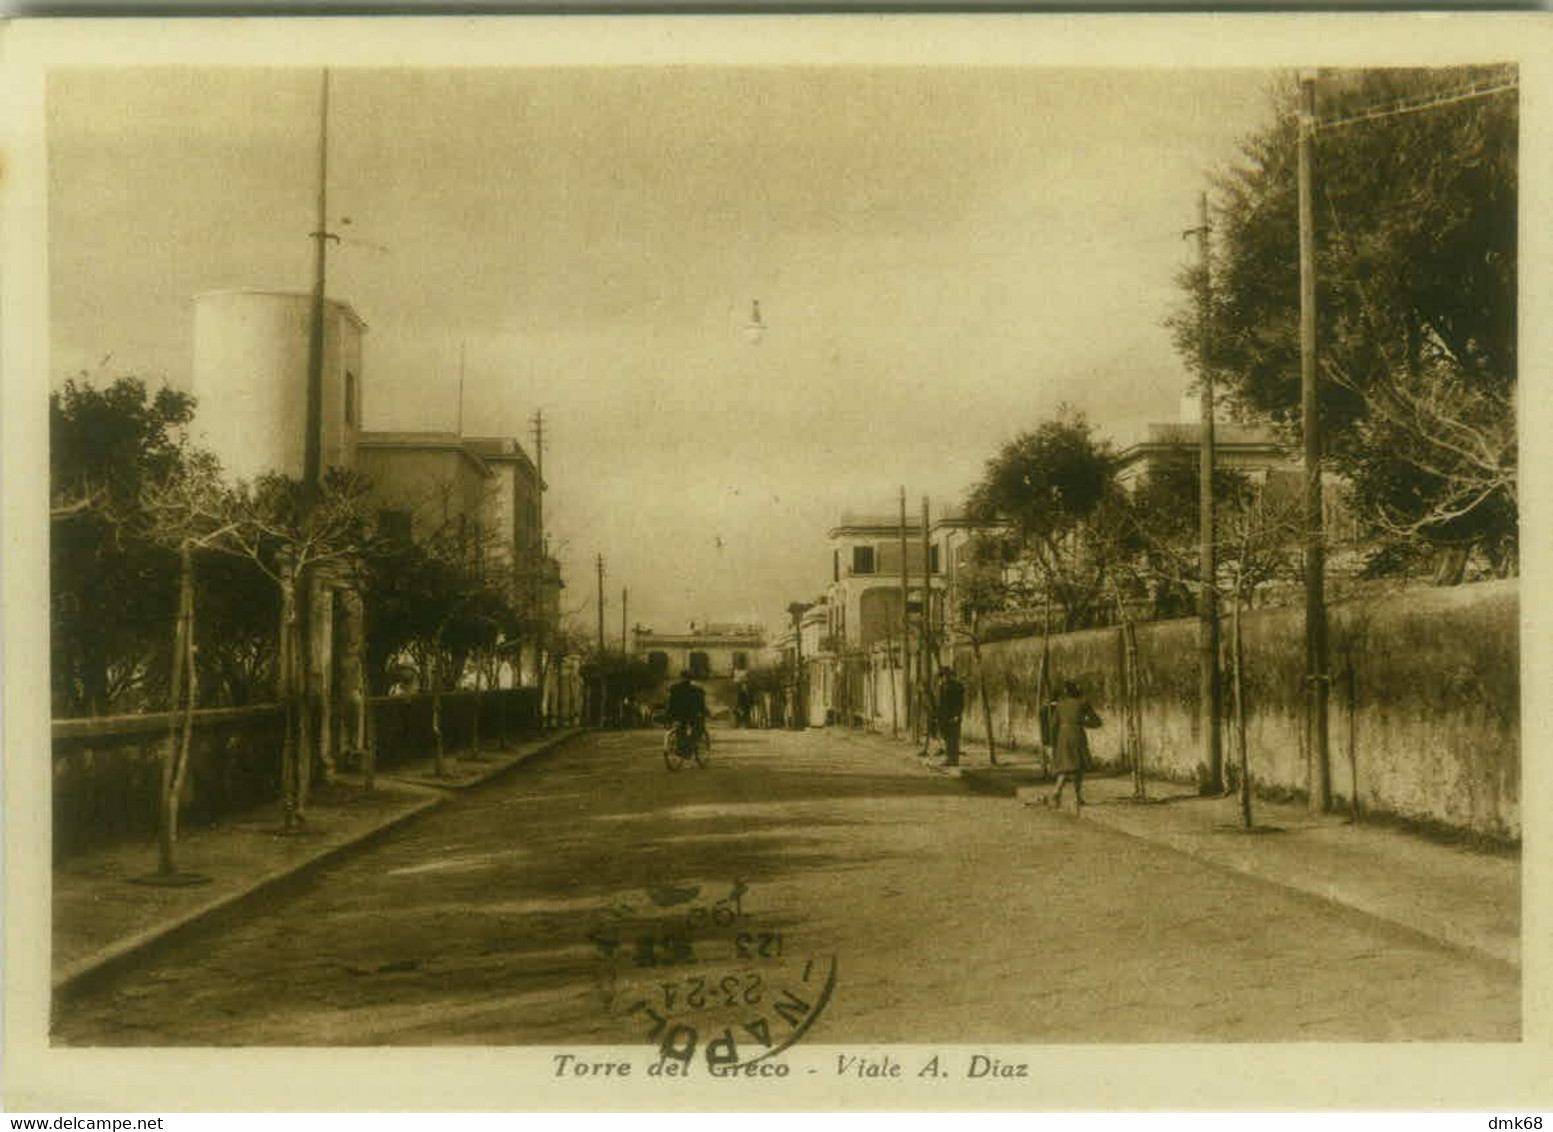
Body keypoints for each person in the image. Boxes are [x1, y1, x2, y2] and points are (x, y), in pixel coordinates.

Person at [1049, 679, 1101, 811]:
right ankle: (1075, 796)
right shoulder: (1083, 703)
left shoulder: (1060, 705)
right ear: (1077, 691)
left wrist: (1053, 742)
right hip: (1077, 735)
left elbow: (1053, 725)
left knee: (1065, 767)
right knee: (1078, 767)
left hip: (1063, 737)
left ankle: (1058, 793)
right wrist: (1082, 723)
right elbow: (1097, 722)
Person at [665, 669, 709, 747]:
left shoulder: (674, 688)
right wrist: (705, 712)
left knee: (680, 728)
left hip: (677, 715)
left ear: (680, 677)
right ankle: (690, 745)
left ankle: (680, 746)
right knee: (699, 726)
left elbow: (670, 702)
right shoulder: (697, 690)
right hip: (691, 715)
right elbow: (701, 704)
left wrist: (669, 714)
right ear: (690, 679)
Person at [936, 667, 966, 767]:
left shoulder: (957, 686)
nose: (945, 678)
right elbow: (940, 703)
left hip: (953, 715)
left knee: (954, 737)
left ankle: (954, 759)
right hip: (944, 716)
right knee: (947, 737)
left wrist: (957, 714)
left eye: (946, 675)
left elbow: (960, 703)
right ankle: (949, 758)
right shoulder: (941, 687)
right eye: (943, 676)